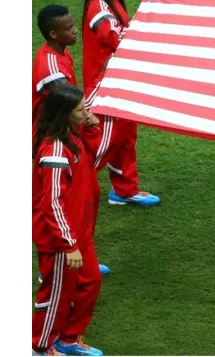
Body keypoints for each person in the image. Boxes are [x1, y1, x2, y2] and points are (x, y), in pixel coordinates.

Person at [33, 4, 111, 278]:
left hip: (68, 135)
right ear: (54, 33)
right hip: (55, 140)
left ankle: (82, 254)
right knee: (55, 202)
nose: (76, 31)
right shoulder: (51, 67)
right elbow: (67, 103)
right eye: (69, 28)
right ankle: (53, 268)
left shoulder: (60, 54)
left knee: (89, 195)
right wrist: (89, 113)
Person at [82, 0, 160, 206]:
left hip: (118, 82)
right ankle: (66, 184)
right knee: (105, 141)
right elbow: (118, 40)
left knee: (126, 136)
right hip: (103, 87)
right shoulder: (98, 7)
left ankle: (124, 190)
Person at [32, 83, 104, 356]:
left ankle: (68, 339)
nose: (85, 110)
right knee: (55, 295)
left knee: (90, 281)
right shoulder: (54, 152)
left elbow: (96, 158)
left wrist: (93, 127)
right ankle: (39, 346)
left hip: (78, 232)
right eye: (79, 108)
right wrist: (69, 244)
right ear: (64, 114)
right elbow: (51, 202)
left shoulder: (71, 137)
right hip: (62, 239)